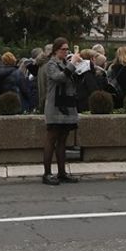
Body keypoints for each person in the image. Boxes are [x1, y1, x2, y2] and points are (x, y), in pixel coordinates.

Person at [42, 38, 83, 185]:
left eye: (67, 49)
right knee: (51, 139)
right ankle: (46, 173)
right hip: (55, 106)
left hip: (67, 105)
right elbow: (59, 77)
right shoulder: (51, 64)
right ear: (56, 50)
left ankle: (62, 172)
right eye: (63, 49)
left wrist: (79, 67)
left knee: (63, 141)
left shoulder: (66, 63)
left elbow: (70, 80)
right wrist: (72, 64)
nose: (66, 52)